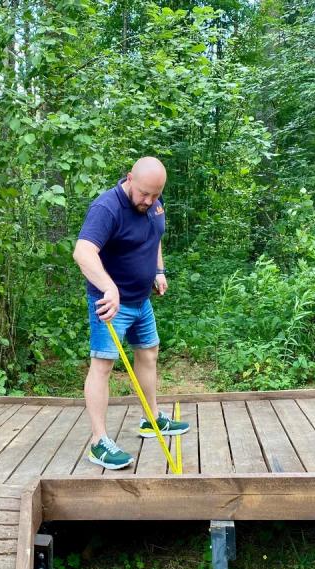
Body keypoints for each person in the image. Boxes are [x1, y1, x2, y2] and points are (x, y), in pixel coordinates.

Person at [72, 156, 189, 470]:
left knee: (149, 354)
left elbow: (155, 237)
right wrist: (109, 287)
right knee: (103, 365)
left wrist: (159, 270)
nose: (149, 201)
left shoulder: (153, 202)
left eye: (155, 195)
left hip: (142, 300)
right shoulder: (107, 208)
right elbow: (82, 251)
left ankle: (151, 419)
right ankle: (99, 442)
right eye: (144, 194)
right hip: (111, 304)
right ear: (129, 178)